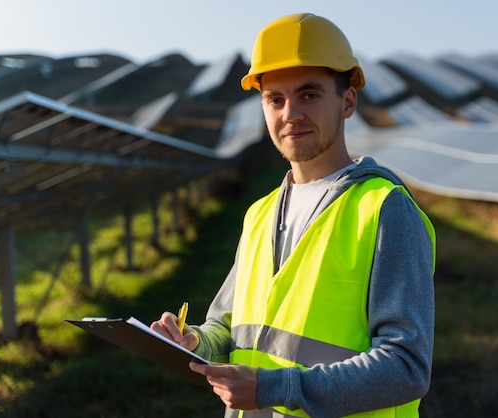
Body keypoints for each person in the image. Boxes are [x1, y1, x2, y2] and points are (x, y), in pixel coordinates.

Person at [151, 12, 436, 418]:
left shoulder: (385, 209)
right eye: (275, 99)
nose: (290, 114)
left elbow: (407, 367)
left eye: (310, 95)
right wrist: (193, 342)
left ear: (348, 101)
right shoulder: (259, 214)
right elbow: (228, 329)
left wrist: (277, 387)